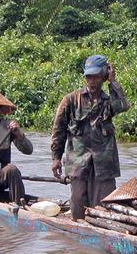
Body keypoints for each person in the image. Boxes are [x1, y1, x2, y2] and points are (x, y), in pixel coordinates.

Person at [50, 55, 130, 220]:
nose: (92, 81)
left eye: (96, 76)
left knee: (103, 206)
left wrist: (113, 82)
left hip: (104, 163)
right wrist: (56, 158)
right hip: (78, 161)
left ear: (103, 76)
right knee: (78, 202)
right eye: (88, 77)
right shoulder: (71, 100)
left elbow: (123, 105)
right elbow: (59, 130)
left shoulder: (108, 101)